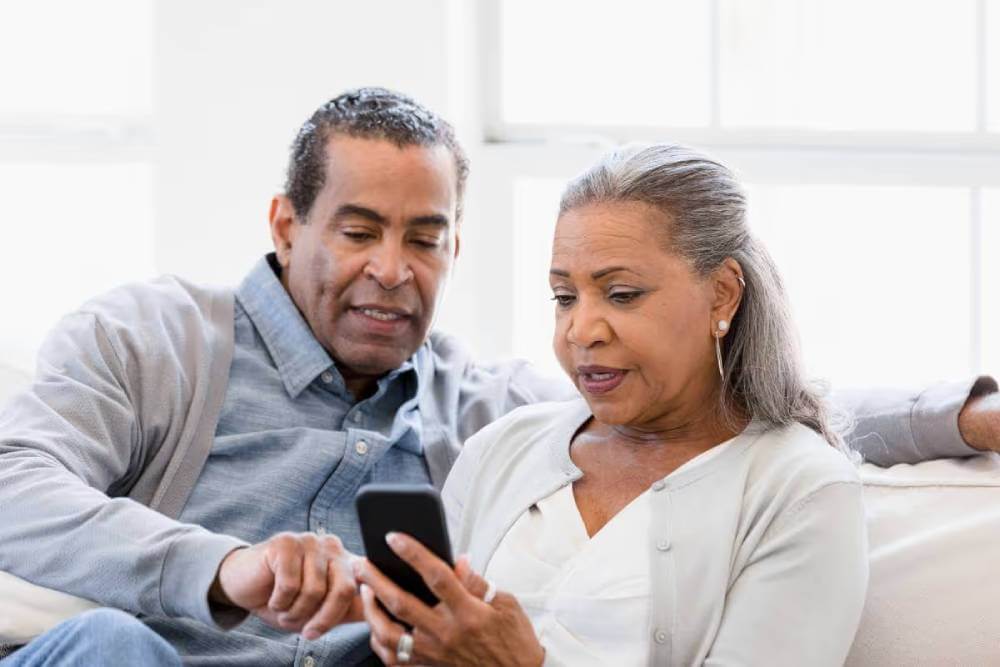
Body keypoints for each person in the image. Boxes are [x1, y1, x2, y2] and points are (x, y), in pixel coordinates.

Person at [0, 88, 995, 666]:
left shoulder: (491, 411)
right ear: (285, 224)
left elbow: (715, 398)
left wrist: (962, 414)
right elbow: (13, 483)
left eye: (425, 238)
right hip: (138, 657)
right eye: (360, 230)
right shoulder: (156, 337)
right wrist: (220, 567)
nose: (393, 269)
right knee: (114, 648)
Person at [354, 143, 867, 665]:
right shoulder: (502, 448)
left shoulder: (800, 489)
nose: (580, 330)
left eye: (622, 294)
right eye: (564, 298)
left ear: (722, 293)